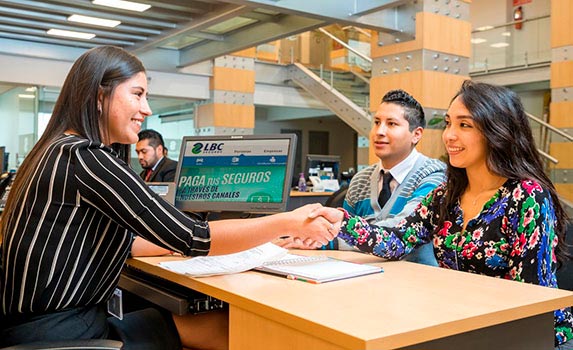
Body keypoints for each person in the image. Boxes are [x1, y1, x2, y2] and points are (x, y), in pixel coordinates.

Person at [0, 46, 342, 349]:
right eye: (137, 94)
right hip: (63, 334)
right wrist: (289, 220)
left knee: (209, 326)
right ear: (98, 96)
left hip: (38, 327)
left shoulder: (57, 150)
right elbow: (195, 238)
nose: (146, 108)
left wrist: (270, 238)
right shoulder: (86, 158)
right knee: (229, 329)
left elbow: (130, 244)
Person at [323, 80, 573, 348]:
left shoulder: (527, 197)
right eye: (448, 123)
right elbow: (397, 240)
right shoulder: (446, 195)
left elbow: (528, 298)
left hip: (532, 334)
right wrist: (341, 221)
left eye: (464, 125)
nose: (449, 135)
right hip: (465, 323)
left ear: (497, 131)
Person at [280, 89, 446, 267]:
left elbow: (400, 232)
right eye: (376, 122)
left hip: (417, 280)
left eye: (391, 124)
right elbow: (343, 234)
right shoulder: (360, 180)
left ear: (416, 134)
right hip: (366, 274)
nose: (379, 131)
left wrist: (323, 238)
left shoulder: (433, 174)